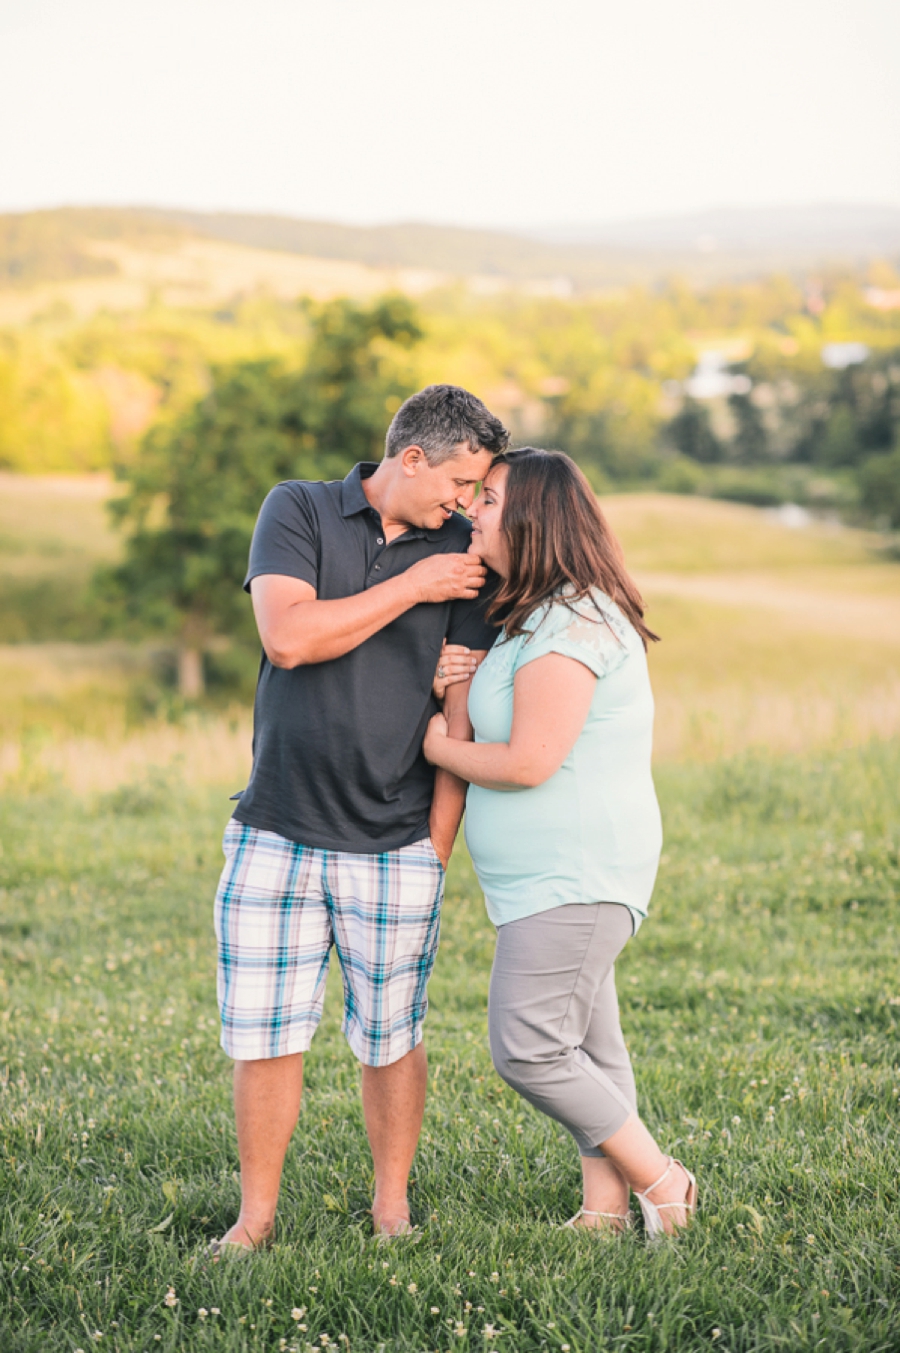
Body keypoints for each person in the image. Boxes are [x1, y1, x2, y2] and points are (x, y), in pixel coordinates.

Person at [210, 385, 508, 1252]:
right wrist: (414, 587)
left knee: (391, 1036)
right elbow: (289, 639)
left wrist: (436, 848)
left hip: (397, 839)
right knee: (265, 1034)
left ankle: (391, 1207)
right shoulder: (298, 508)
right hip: (275, 825)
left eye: (477, 488)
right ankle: (255, 1218)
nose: (464, 501)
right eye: (458, 480)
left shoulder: (467, 553)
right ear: (410, 457)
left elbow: (460, 714)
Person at [424, 448, 697, 1238]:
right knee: (588, 1045)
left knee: (528, 1046)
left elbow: (530, 761)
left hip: (576, 871)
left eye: (492, 497)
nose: (474, 507)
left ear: (534, 518)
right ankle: (604, 1209)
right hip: (551, 878)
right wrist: (461, 684)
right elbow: (500, 719)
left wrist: (437, 746)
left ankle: (663, 1180)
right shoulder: (533, 618)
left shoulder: (574, 620)